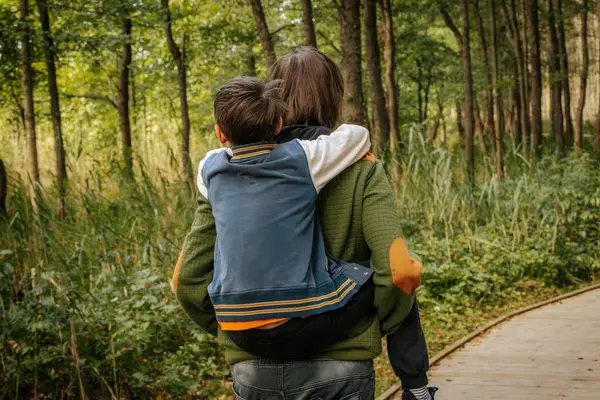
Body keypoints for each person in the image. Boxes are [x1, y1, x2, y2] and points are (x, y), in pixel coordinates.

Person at [173, 47, 436, 400]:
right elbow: (397, 272)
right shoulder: (361, 167)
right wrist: (374, 324)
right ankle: (418, 390)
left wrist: (238, 329)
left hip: (252, 368)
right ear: (333, 98)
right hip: (341, 366)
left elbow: (186, 281)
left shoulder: (227, 177)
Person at [198, 75, 379, 359]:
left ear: (220, 133)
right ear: (279, 125)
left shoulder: (209, 170)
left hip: (237, 327)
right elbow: (358, 136)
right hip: (300, 328)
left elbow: (217, 158)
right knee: (372, 277)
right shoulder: (301, 159)